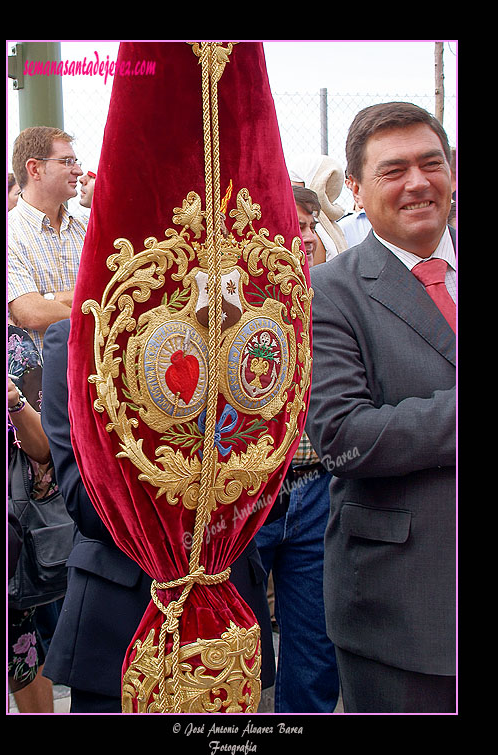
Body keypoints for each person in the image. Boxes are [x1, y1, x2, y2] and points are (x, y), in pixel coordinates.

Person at [40, 318, 276, 713]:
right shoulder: (75, 338)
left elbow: (262, 486)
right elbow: (85, 501)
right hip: (118, 615)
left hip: (230, 615)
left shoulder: (238, 334)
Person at [305, 101, 456, 713]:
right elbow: (341, 434)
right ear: (358, 193)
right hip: (406, 616)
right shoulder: (330, 292)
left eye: (432, 163)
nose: (418, 182)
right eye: (394, 171)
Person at [254, 185, 340, 714]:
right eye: (296, 225)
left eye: (311, 226)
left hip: (318, 492)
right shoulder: (232, 304)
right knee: (237, 643)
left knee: (316, 651)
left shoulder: (332, 297)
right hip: (248, 498)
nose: (306, 236)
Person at [8, 325, 56, 713]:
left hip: (11, 536)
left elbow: (43, 450)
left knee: (18, 650)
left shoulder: (16, 349)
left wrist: (15, 403)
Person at [7, 126, 87, 353]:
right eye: (67, 162)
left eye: (75, 161)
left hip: (95, 373)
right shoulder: (10, 233)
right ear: (35, 169)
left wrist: (51, 299)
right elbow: (32, 313)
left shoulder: (88, 228)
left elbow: (110, 293)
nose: (78, 170)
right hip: (40, 383)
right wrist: (95, 310)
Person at [288, 154, 348, 263]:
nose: (310, 237)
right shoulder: (327, 229)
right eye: (300, 227)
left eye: (313, 227)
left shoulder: (327, 229)